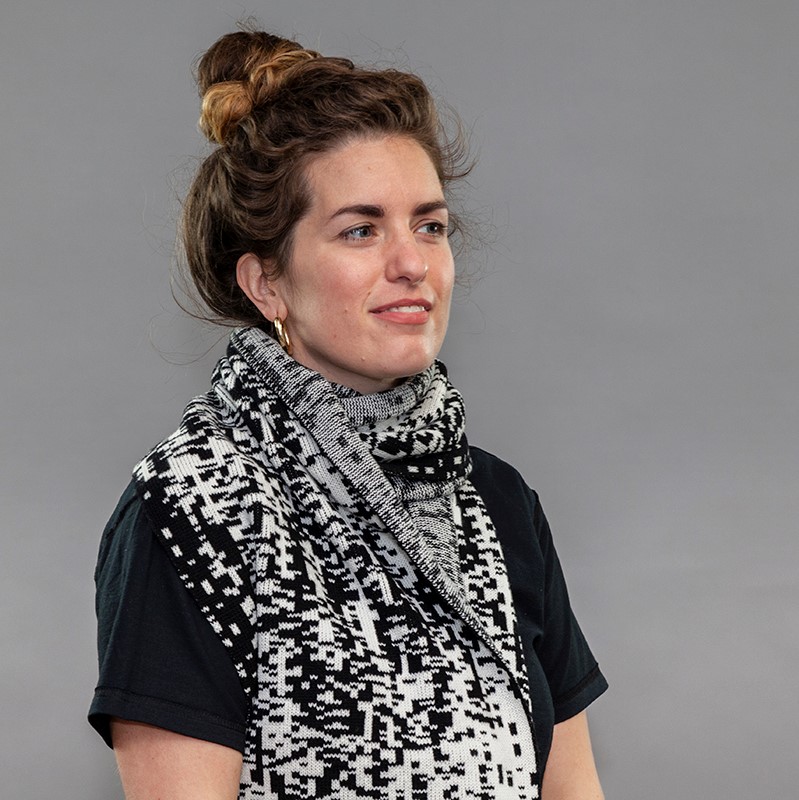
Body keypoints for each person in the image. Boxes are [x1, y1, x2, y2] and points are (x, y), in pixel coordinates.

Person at [89, 28, 608, 800]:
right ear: (266, 285)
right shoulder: (194, 508)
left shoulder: (497, 503)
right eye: (360, 229)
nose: (411, 263)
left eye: (428, 225)